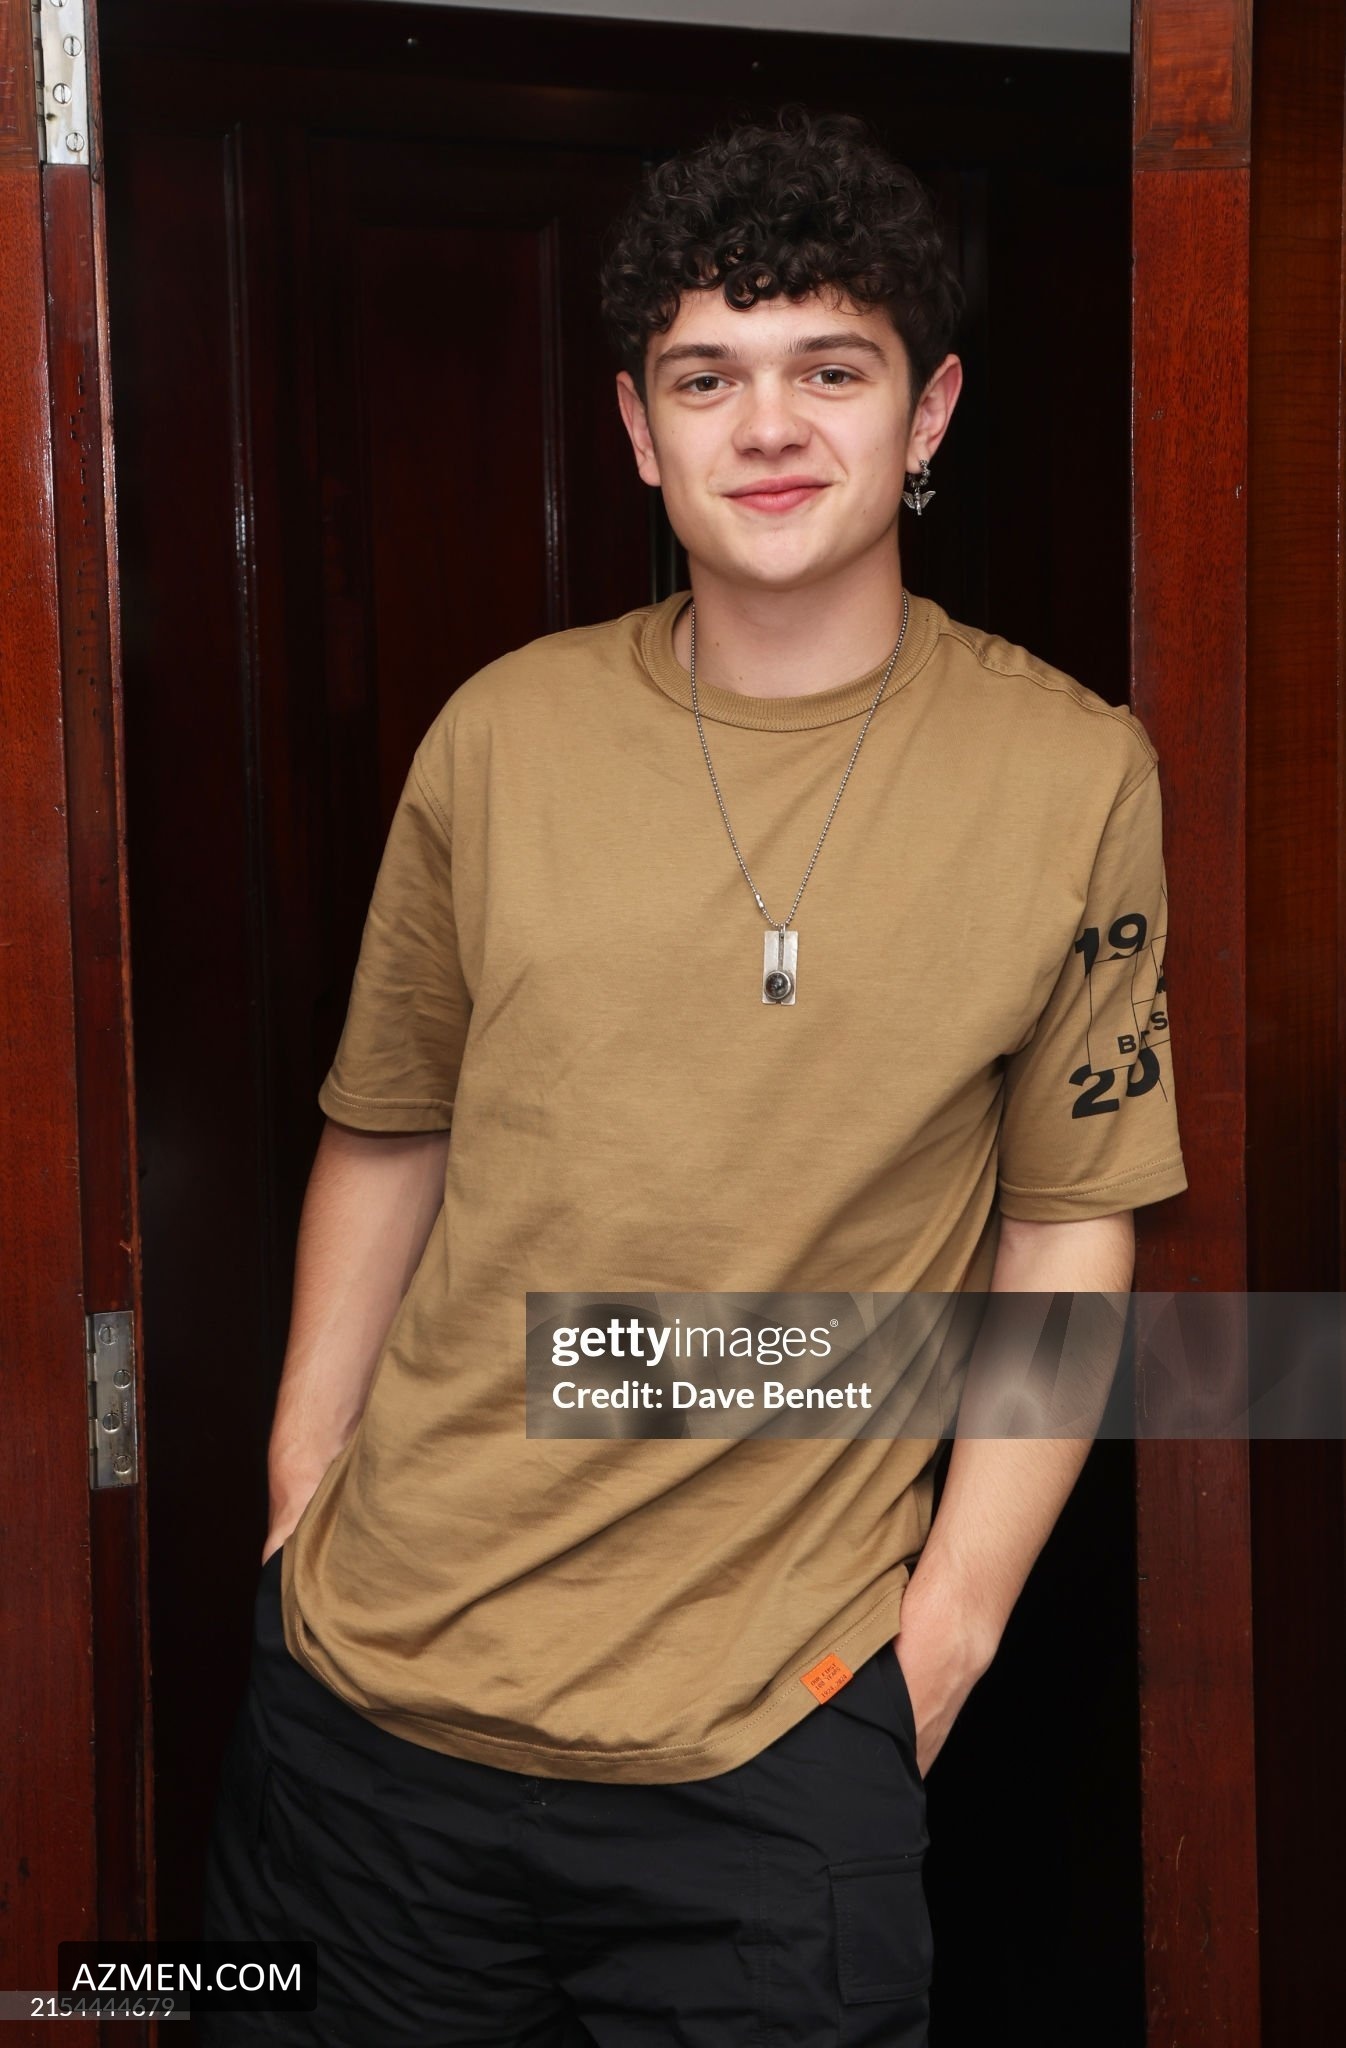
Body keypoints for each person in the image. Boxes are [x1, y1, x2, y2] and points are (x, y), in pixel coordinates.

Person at [199, 105, 1187, 2046]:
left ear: (928, 411)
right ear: (638, 430)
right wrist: (301, 1481)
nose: (768, 427)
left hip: (772, 1741)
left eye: (832, 368)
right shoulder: (503, 734)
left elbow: (1066, 1227)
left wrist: (945, 1634)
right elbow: (387, 1128)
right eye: (706, 377)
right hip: (369, 1713)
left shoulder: (1072, 774)